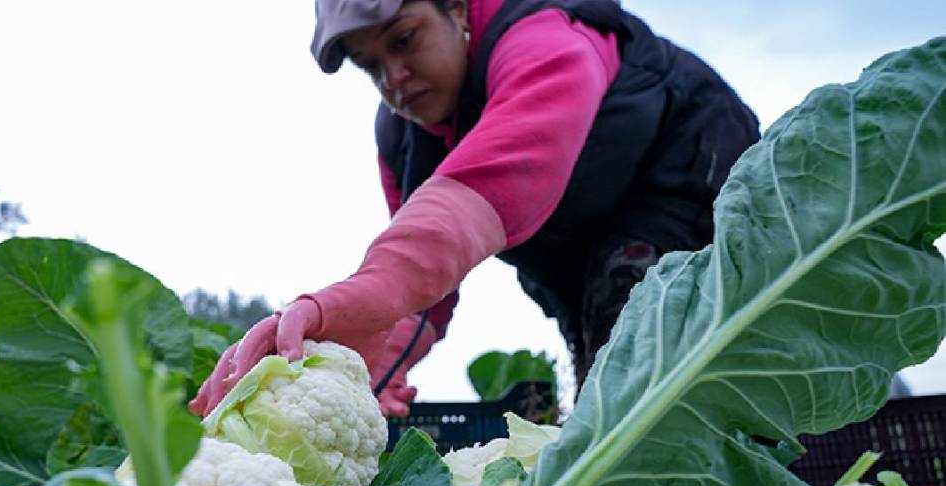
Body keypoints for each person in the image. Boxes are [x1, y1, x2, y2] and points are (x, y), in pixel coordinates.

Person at [188, 0, 760, 418]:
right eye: (371, 67)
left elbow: (490, 183)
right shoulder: (403, 135)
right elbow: (422, 287)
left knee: (648, 364)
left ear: (458, 9)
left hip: (695, 185)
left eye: (404, 40)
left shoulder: (545, 41)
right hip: (579, 259)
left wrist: (361, 291)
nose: (393, 77)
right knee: (602, 373)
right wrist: (364, 371)